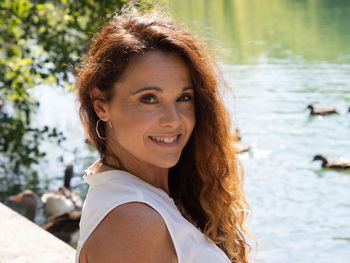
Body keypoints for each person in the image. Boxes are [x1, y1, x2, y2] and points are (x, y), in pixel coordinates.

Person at [75, 6, 252, 263]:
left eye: (184, 97)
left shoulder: (152, 197)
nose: (173, 119)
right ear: (101, 105)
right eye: (148, 99)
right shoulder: (133, 223)